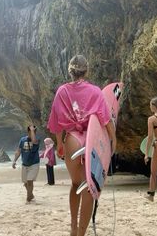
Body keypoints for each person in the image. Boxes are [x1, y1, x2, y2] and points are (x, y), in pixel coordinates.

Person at [48, 54, 117, 236]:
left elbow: (56, 121)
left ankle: (72, 226)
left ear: (70, 71)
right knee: (89, 186)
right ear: (87, 70)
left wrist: (59, 145)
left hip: (72, 138)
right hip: (91, 138)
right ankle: (81, 232)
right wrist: (113, 140)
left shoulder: (62, 91)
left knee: (75, 183)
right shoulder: (95, 91)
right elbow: (105, 119)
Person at [12, 125, 40, 204]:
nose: (33, 132)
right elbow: (19, 151)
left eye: (34, 131)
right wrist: (14, 161)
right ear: (28, 131)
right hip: (25, 164)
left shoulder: (37, 139)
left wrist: (32, 131)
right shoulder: (22, 140)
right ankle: (31, 195)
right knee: (25, 183)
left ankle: (28, 198)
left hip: (34, 164)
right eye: (31, 131)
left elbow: (34, 141)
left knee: (30, 181)